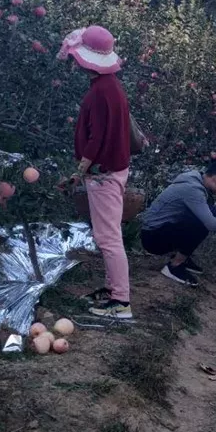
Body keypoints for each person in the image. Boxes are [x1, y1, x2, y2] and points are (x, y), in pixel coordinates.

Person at [58, 25, 134, 320]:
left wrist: (78, 171)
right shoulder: (109, 86)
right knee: (109, 234)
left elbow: (96, 139)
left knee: (108, 238)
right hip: (112, 168)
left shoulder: (100, 93)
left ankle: (121, 302)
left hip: (104, 173)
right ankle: (112, 288)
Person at [140, 160, 216, 286]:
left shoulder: (198, 182)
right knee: (200, 224)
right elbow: (211, 224)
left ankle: (182, 258)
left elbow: (212, 208)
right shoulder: (193, 189)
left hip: (158, 231)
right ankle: (174, 266)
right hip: (152, 239)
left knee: (198, 218)